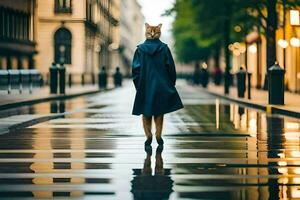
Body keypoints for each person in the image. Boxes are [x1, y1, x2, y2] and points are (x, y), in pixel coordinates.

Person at [132, 23, 183, 146]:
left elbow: (135, 70)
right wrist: (171, 83)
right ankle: (158, 134)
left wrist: (138, 85)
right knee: (159, 111)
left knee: (146, 111)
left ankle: (148, 135)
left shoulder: (140, 49)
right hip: (161, 85)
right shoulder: (164, 48)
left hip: (145, 85)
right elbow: (171, 67)